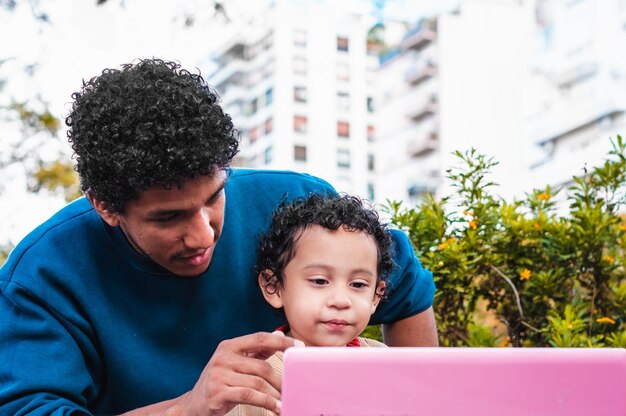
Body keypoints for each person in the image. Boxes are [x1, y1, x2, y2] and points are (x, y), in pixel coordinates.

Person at [0, 58, 437, 416]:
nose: (202, 233)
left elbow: (404, 287)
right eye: (168, 217)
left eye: (213, 197)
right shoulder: (43, 276)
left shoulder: (298, 207)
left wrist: (417, 401)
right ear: (106, 207)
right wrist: (188, 408)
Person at [230, 193, 393, 416]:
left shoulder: (384, 362)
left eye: (357, 284)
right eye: (319, 281)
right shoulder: (257, 374)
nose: (340, 301)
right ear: (274, 287)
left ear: (375, 296)